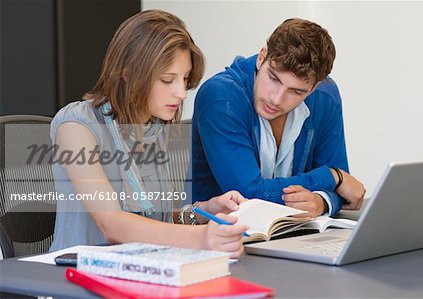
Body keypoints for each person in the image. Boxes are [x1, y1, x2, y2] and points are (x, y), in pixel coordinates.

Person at [48, 9, 248, 259]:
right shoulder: (76, 125)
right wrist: (201, 238)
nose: (181, 93)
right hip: (77, 278)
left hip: (146, 267)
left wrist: (203, 211)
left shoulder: (152, 128)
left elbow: (151, 220)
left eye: (184, 79)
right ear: (128, 72)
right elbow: (111, 223)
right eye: (167, 80)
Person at [192, 18, 365, 217]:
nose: (276, 98)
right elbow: (248, 194)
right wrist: (331, 176)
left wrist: (321, 202)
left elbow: (345, 190)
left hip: (293, 235)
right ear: (261, 57)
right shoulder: (222, 97)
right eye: (273, 78)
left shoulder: (325, 96)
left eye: (296, 92)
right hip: (222, 236)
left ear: (314, 87)